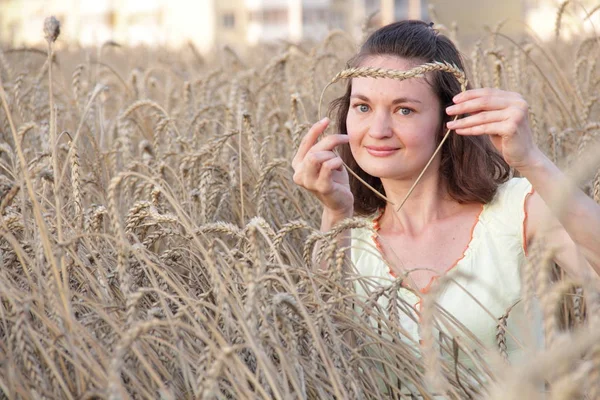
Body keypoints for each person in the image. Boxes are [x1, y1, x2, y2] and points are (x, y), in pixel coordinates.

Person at [292, 20, 600, 365]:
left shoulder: (516, 210)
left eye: (403, 110)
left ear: (448, 119)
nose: (377, 130)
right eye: (362, 107)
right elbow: (320, 356)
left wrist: (531, 160)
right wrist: (335, 215)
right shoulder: (349, 235)